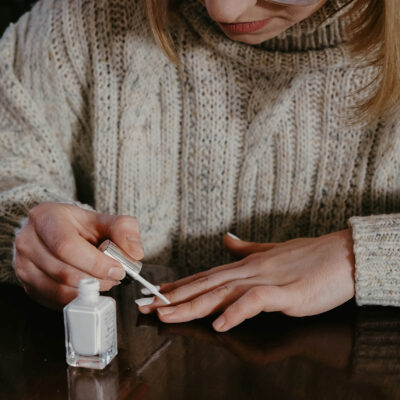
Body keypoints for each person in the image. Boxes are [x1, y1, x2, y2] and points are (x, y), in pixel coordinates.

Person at [0, 0, 399, 331]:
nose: (222, 9)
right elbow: (11, 163)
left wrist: (367, 256)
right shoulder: (83, 19)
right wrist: (21, 224)